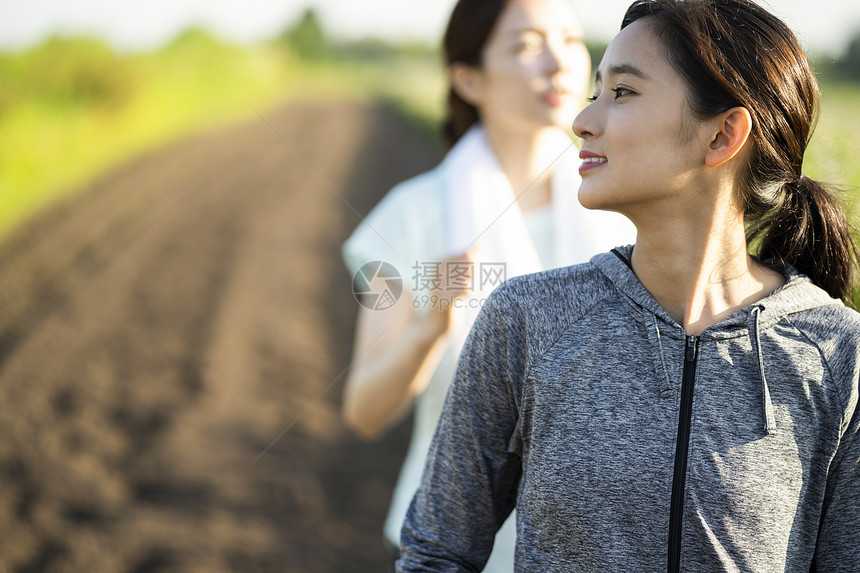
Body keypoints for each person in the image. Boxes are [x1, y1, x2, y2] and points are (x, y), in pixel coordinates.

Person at [396, 0, 860, 571]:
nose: (582, 120)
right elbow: (436, 552)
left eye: (622, 93)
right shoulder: (526, 318)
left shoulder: (839, 354)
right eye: (595, 92)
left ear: (721, 137)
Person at [339, 0, 635, 570]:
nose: (559, 63)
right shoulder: (409, 217)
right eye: (527, 46)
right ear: (468, 78)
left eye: (571, 40)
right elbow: (364, 409)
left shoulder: (627, 208)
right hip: (457, 549)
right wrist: (430, 327)